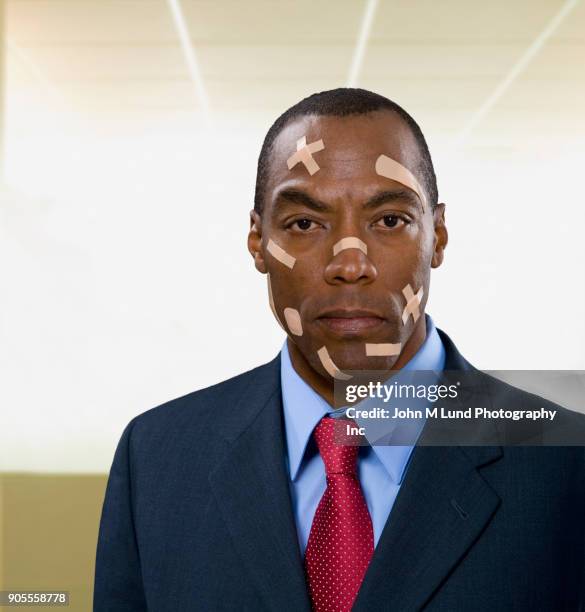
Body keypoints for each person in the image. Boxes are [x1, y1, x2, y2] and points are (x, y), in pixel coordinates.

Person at [94, 88, 585, 611]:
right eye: (305, 224)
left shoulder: (565, 466)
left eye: (390, 220)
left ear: (437, 236)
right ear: (257, 241)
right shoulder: (156, 458)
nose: (350, 265)